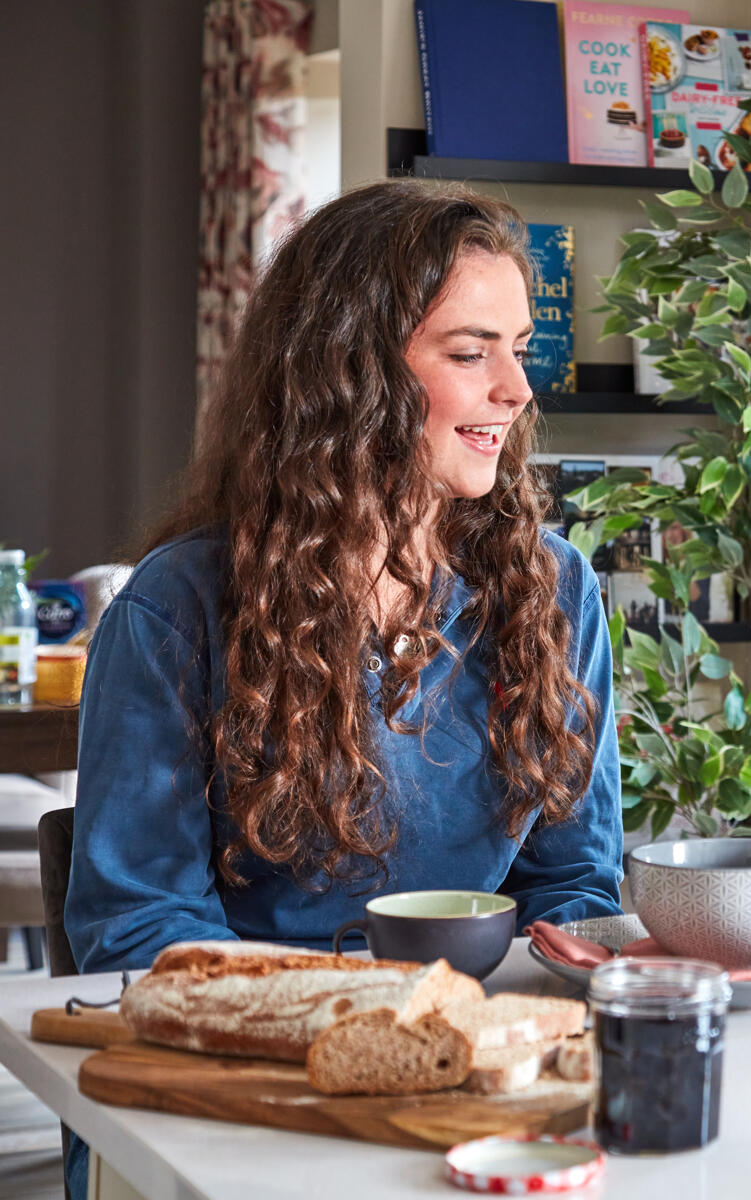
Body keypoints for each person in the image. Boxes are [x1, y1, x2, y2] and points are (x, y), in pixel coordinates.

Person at [66, 179, 624, 977]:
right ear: (351, 369)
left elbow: (572, 887)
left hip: (483, 1039)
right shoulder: (176, 612)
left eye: (520, 348)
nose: (518, 390)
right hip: (265, 1052)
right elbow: (139, 927)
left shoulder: (555, 589)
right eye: (471, 353)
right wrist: (348, 1020)